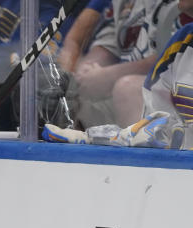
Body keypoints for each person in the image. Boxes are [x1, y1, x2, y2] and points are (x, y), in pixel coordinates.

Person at [43, 18, 193, 148]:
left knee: (128, 89)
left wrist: (109, 75)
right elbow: (154, 128)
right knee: (52, 101)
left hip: (182, 172)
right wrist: (98, 137)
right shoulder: (182, 39)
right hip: (171, 169)